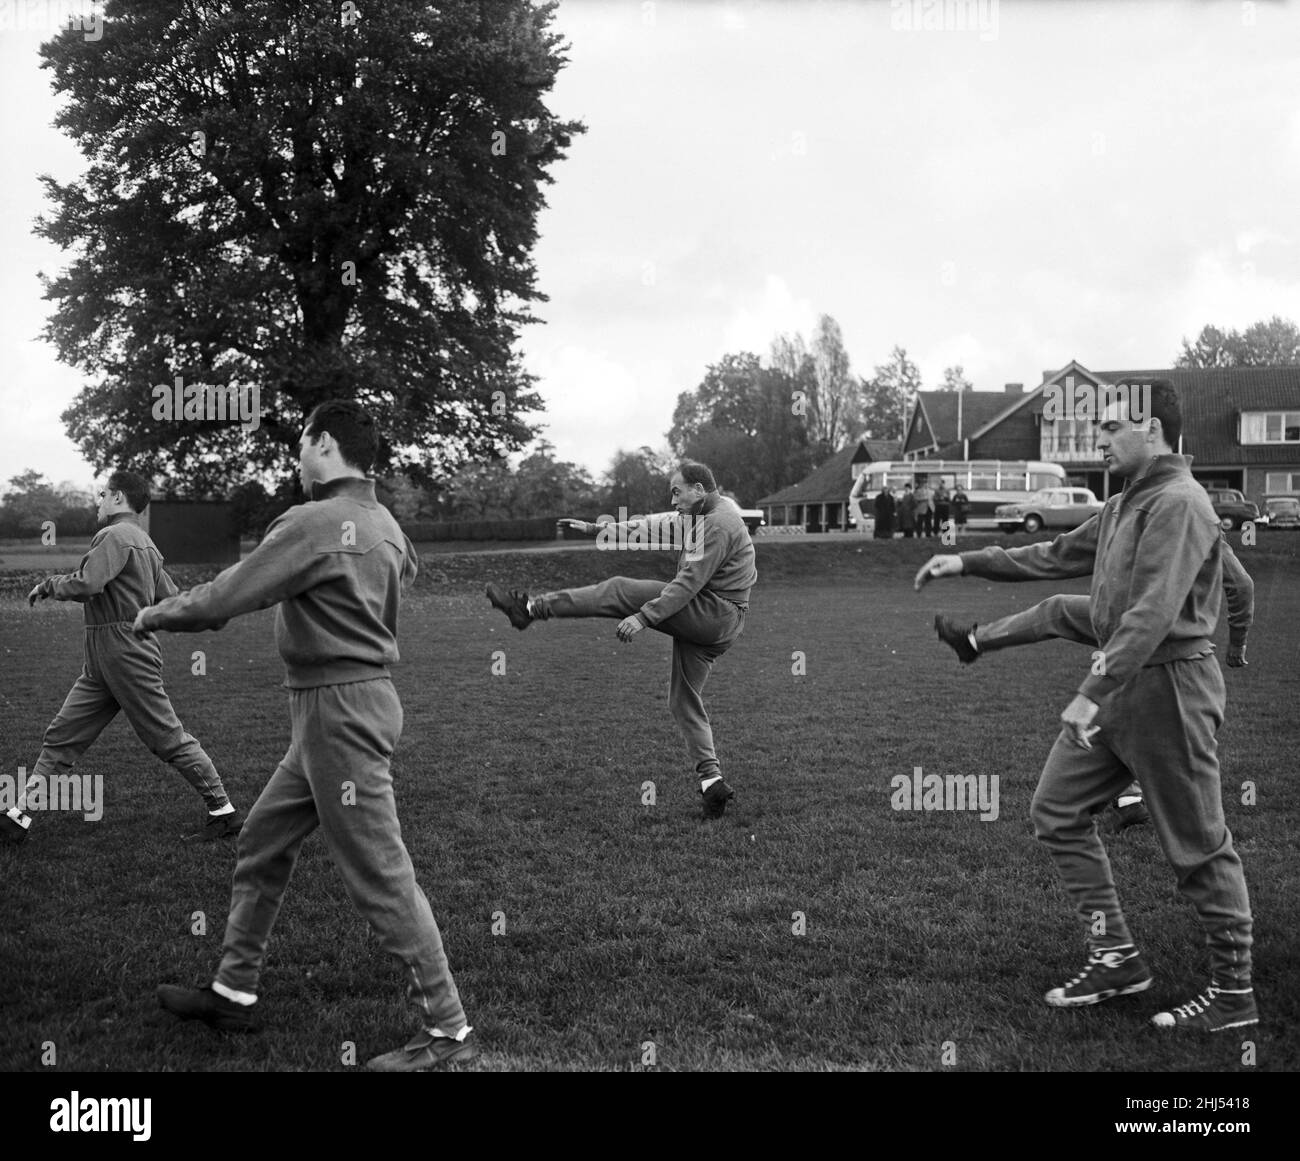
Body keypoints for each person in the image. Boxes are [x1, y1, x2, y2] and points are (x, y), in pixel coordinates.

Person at [137, 401, 473, 1072]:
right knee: (262, 843)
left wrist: (154, 612)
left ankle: (450, 1033)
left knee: (382, 872)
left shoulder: (316, 521)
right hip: (351, 702)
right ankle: (235, 992)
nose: (296, 457)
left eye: (301, 445)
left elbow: (228, 595)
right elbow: (403, 570)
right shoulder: (383, 522)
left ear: (324, 443)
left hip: (336, 712)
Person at [914, 379, 1257, 1033]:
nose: (1098, 437)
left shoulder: (1181, 503)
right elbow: (1054, 554)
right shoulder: (1125, 500)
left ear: (1150, 428)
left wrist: (1087, 693)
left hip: (1170, 693)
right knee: (1056, 809)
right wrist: (965, 560)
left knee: (1198, 848)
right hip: (1123, 690)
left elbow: (1153, 611)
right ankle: (1116, 955)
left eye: (1109, 426)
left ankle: (1233, 993)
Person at [485, 460, 756, 820]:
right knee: (683, 701)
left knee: (618, 590)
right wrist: (595, 529)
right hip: (720, 623)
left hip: (715, 613)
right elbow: (648, 526)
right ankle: (712, 783)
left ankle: (531, 609)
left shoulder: (717, 525)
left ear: (699, 490)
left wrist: (644, 616)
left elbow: (687, 583)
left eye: (676, 491)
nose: (672, 499)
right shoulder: (702, 514)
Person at [932, 531, 1254, 832]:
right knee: (1059, 612)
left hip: (1161, 635)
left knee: (1138, 709)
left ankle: (1139, 800)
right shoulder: (1118, 510)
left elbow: (1241, 583)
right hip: (1122, 621)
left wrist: (1237, 642)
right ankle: (973, 643)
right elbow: (1054, 554)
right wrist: (969, 562)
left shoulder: (1186, 512)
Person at [2, 470, 241, 846]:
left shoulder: (114, 536)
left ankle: (224, 813)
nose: (97, 502)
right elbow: (170, 595)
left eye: (101, 495)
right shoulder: (146, 543)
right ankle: (18, 815)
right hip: (103, 658)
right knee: (63, 734)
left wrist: (48, 585)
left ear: (116, 498)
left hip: (125, 653)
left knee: (167, 737)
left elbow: (88, 584)